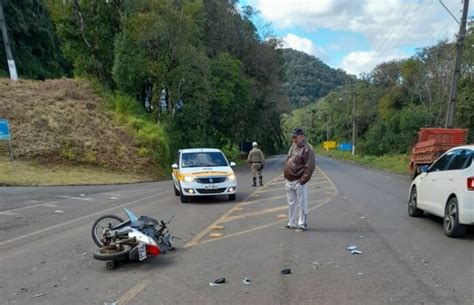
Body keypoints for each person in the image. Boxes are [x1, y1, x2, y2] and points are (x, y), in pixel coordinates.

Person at [283, 128, 315, 232]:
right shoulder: (293, 146)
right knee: (291, 203)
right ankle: (291, 222)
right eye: (292, 137)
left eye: (295, 137)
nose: (294, 139)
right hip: (289, 180)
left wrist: (303, 180)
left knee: (302, 203)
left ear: (301, 136)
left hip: (299, 180)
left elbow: (310, 166)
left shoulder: (307, 149)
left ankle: (302, 224)